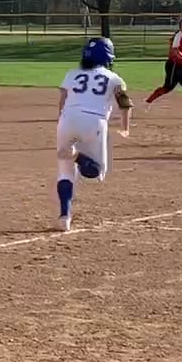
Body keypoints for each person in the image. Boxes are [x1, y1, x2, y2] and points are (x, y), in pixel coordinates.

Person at [53, 36, 133, 232]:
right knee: (96, 171)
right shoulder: (113, 78)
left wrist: (62, 122)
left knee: (65, 172)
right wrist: (125, 127)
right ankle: (76, 155)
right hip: (94, 122)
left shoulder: (72, 74)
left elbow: (63, 100)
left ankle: (65, 216)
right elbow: (125, 103)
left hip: (67, 120)